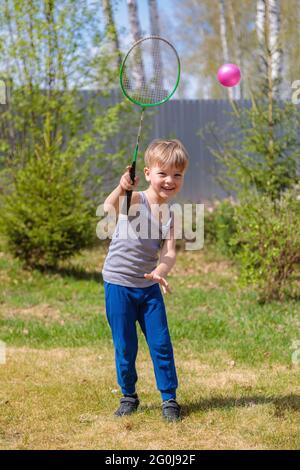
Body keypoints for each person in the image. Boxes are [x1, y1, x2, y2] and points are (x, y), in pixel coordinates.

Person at [102, 139, 189, 421]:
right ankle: (129, 395)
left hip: (148, 288)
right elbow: (109, 207)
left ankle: (169, 399)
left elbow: (169, 253)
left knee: (161, 343)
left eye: (177, 175)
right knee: (125, 344)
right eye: (163, 173)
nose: (170, 180)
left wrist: (160, 272)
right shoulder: (136, 199)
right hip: (118, 284)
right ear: (148, 173)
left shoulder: (172, 215)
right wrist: (122, 187)